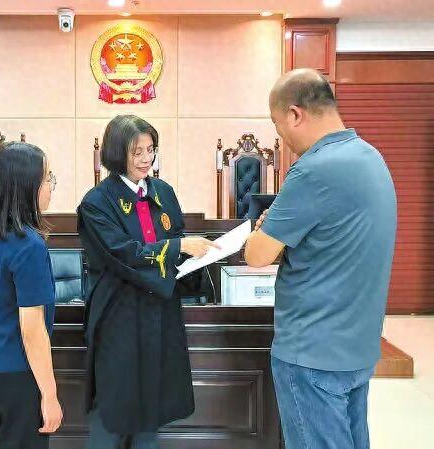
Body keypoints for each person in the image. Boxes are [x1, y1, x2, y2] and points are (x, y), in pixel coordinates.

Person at [245, 68, 397, 449]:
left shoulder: (313, 169)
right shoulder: (371, 157)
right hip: (357, 346)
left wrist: (269, 231)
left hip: (312, 353)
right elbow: (334, 238)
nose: (282, 137)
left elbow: (257, 254)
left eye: (278, 125)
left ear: (295, 114)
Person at [77, 115, 218, 449]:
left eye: (150, 150)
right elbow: (123, 253)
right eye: (136, 151)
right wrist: (179, 247)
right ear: (116, 153)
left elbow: (177, 239)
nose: (145, 159)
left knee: (153, 401)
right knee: (113, 404)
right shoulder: (97, 202)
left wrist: (199, 255)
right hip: (119, 315)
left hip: (159, 312)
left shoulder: (163, 192)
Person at [0, 142, 63, 449]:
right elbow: (32, 329)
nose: (51, 186)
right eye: (47, 178)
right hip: (16, 374)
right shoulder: (29, 245)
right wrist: (49, 395)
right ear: (26, 186)